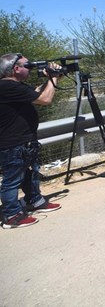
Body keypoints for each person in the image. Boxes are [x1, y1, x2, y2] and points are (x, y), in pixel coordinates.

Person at [0, 53, 62, 229]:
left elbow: (35, 93)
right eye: (27, 65)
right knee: (12, 180)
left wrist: (50, 79)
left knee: (30, 173)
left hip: (25, 140)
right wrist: (53, 78)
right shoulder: (6, 86)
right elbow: (45, 99)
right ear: (16, 69)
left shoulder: (14, 85)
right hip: (12, 143)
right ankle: (12, 215)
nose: (30, 68)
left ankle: (34, 200)